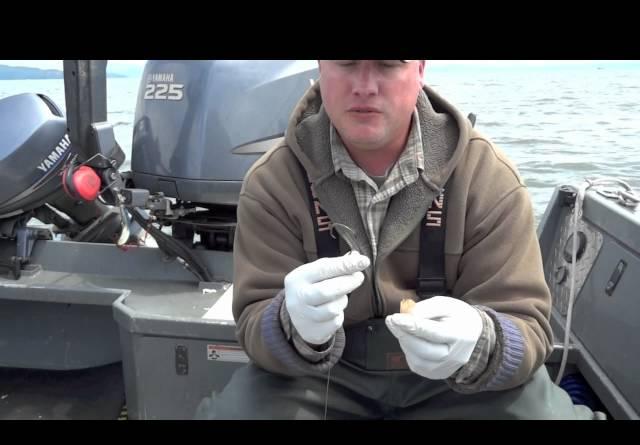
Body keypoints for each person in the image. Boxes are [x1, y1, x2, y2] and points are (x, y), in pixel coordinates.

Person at [195, 60, 602, 420]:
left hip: (453, 383)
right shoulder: (271, 182)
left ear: (420, 69)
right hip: (321, 377)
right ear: (320, 67)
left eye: (388, 64)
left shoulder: (488, 177)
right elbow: (252, 323)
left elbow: (528, 327)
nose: (366, 85)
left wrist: (480, 342)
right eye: (348, 62)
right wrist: (291, 324)